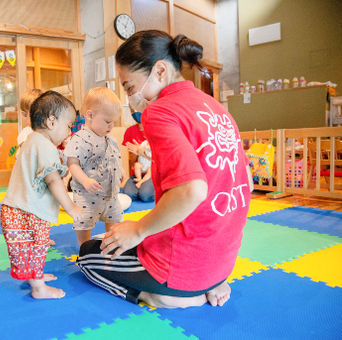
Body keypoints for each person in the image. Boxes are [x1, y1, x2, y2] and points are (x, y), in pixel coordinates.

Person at [77, 30, 253, 309]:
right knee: (117, 236)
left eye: (130, 87)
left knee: (87, 255)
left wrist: (138, 230)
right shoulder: (217, 108)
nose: (131, 98)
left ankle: (158, 295)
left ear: (159, 71)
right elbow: (247, 184)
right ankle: (209, 281)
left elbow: (192, 190)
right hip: (222, 265)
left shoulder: (160, 111)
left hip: (179, 269)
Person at [0, 91, 82, 299]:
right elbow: (53, 180)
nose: (69, 131)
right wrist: (71, 208)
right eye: (68, 125)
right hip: (27, 211)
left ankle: (34, 276)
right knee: (36, 247)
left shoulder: (32, 141)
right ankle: (39, 288)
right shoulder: (44, 146)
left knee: (30, 248)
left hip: (16, 209)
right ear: (52, 121)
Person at [64, 87, 124, 246]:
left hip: (110, 192)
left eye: (113, 122)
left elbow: (115, 158)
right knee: (84, 220)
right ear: (90, 115)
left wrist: (121, 172)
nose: (111, 126)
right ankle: (84, 247)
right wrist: (85, 181)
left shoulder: (109, 139)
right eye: (107, 121)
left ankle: (110, 244)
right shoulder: (80, 139)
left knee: (115, 217)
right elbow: (73, 163)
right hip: (87, 194)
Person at [122, 110, 155, 202]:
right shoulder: (130, 131)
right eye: (133, 109)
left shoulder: (157, 130)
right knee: (129, 195)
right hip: (138, 172)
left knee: (145, 195)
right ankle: (140, 181)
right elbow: (129, 160)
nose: (136, 112)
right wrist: (136, 154)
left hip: (153, 173)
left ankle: (149, 186)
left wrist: (143, 154)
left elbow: (164, 160)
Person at [17, 89, 43, 155]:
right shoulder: (26, 133)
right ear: (25, 115)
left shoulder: (45, 132)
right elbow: (29, 152)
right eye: (36, 114)